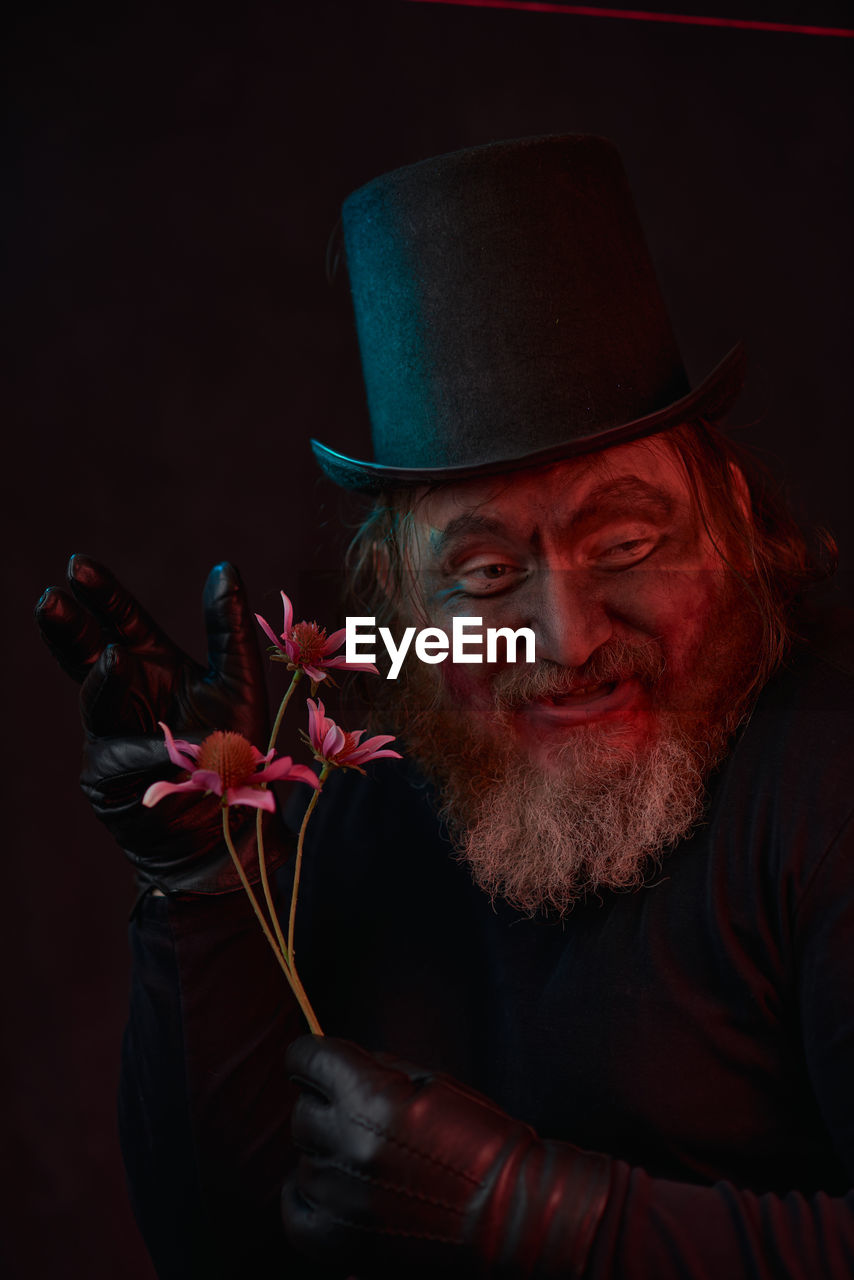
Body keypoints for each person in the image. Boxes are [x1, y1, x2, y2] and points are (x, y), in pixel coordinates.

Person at [36, 136, 854, 1278]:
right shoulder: (368, 798)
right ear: (396, 600)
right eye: (480, 577)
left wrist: (551, 1221)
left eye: (624, 540)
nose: (564, 640)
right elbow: (220, 1245)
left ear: (722, 512)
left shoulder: (826, 781)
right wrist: (204, 873)